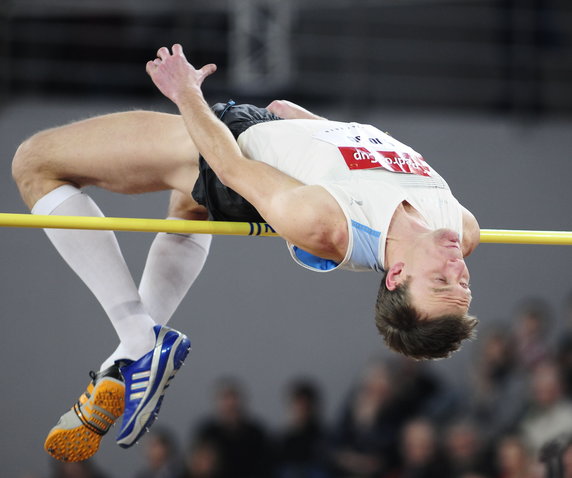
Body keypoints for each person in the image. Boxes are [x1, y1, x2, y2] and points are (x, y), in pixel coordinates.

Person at [10, 44, 480, 462]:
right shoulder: (461, 228)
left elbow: (230, 168)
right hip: (271, 135)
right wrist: (315, 128)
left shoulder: (327, 223)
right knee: (187, 209)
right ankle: (128, 357)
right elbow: (372, 164)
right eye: (462, 284)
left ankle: (137, 338)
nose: (456, 267)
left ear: (396, 275)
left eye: (439, 281)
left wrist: (185, 93)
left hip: (227, 147)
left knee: (35, 163)